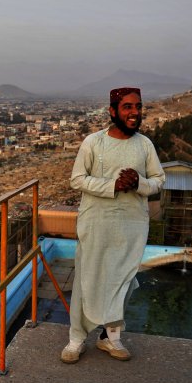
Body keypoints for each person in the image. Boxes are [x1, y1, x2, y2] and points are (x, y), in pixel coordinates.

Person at [61, 87, 165, 363]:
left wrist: (139, 183)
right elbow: (77, 179)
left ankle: (111, 338)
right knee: (87, 278)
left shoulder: (145, 145)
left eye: (138, 107)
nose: (134, 113)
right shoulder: (93, 143)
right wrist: (113, 185)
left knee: (124, 280)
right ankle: (76, 339)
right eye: (128, 107)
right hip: (96, 221)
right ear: (113, 111)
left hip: (131, 223)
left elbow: (159, 180)